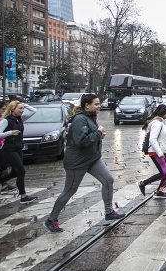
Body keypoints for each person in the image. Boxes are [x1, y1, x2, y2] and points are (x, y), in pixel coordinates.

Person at [44, 94, 125, 232]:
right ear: (87, 105)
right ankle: (51, 219)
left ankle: (109, 212)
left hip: (92, 158)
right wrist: (98, 134)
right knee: (69, 191)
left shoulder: (90, 117)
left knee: (108, 180)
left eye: (99, 104)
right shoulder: (80, 119)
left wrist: (99, 134)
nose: (99, 106)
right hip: (77, 162)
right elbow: (81, 141)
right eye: (96, 104)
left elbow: (91, 136)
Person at [0, 100, 37, 203]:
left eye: (23, 108)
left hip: (18, 148)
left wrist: (24, 104)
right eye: (20, 108)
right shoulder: (6, 121)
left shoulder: (20, 119)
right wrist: (10, 133)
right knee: (21, 171)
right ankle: (23, 196)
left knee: (14, 173)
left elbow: (34, 111)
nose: (22, 110)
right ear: (13, 109)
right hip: (9, 149)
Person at [136, 105, 166, 198]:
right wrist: (159, 153)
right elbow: (153, 139)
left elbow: (164, 139)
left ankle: (160, 191)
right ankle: (143, 183)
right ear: (162, 112)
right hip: (155, 152)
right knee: (164, 173)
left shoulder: (162, 123)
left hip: (163, 151)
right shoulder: (157, 123)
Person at [0, 101, 15, 192]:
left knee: (4, 165)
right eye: (3, 109)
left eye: (5, 109)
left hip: (0, 145)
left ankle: (4, 184)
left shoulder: (2, 118)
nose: (4, 111)